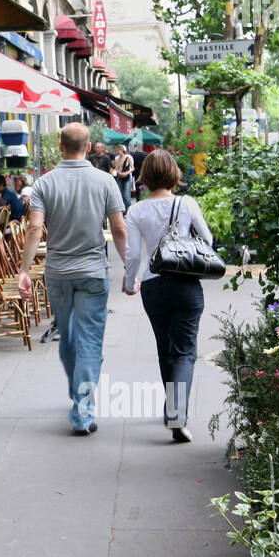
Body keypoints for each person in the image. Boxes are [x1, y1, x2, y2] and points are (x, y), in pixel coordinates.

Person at [18, 123, 127, 435]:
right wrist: (131, 268)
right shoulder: (106, 181)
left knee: (67, 336)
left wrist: (24, 270)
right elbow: (119, 229)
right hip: (93, 272)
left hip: (59, 273)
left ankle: (78, 397)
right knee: (90, 339)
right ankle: (82, 409)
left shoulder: (43, 184)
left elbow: (35, 229)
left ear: (60, 146)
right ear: (89, 146)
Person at [122, 150, 213, 443]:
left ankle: (173, 410)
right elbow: (208, 240)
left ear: (145, 177)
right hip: (186, 284)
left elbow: (134, 254)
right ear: (174, 173)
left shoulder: (136, 210)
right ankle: (176, 414)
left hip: (153, 285)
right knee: (185, 351)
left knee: (166, 348)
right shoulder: (186, 204)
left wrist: (129, 281)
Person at [112, 144, 135, 212]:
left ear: (123, 150)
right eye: (117, 151)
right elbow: (116, 168)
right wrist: (119, 173)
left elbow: (132, 168)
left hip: (127, 176)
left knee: (126, 195)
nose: (118, 152)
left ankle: (128, 209)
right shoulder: (116, 158)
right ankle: (123, 209)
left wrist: (126, 173)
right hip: (120, 176)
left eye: (119, 150)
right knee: (121, 194)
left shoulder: (128, 157)